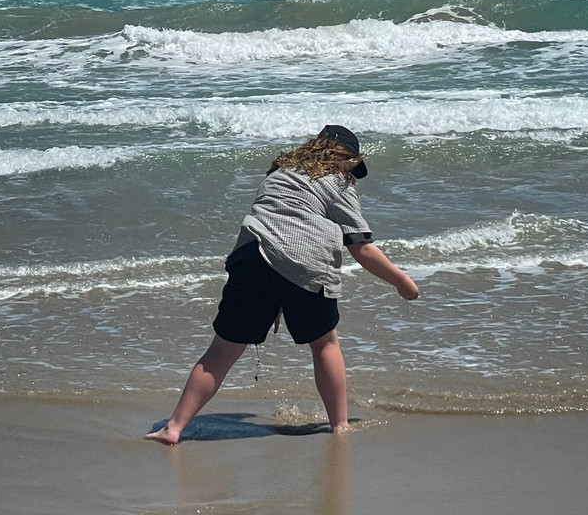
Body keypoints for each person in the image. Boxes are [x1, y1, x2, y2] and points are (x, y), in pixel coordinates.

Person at [145, 125, 420, 445]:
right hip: (303, 261)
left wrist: (274, 300)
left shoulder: (279, 172)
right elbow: (360, 246)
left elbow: (276, 231)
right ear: (345, 159)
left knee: (221, 351)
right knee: (325, 344)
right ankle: (340, 426)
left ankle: (173, 427)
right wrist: (402, 283)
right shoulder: (338, 179)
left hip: (250, 256)